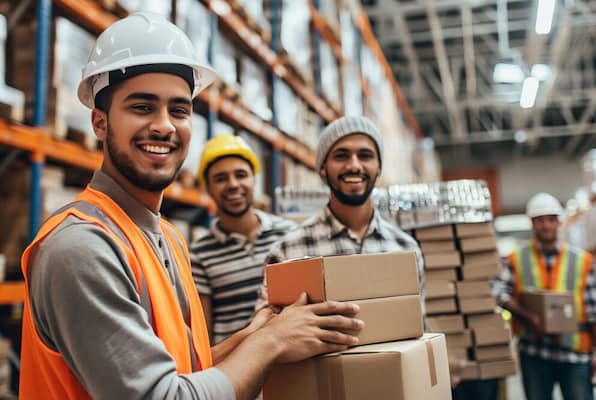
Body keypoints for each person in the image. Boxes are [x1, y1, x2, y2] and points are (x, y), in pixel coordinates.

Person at [19, 13, 364, 400]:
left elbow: (185, 373)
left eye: (179, 110)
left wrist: (255, 336)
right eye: (142, 107)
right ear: (100, 123)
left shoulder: (165, 235)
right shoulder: (81, 248)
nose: (165, 125)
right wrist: (272, 344)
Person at [257, 115, 424, 308]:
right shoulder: (286, 253)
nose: (354, 165)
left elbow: (419, 331)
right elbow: (267, 330)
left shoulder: (406, 249)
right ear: (323, 169)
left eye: (365, 155)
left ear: (379, 168)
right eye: (341, 156)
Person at [190, 134, 297, 344]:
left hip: (288, 360)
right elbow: (203, 335)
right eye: (220, 179)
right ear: (207, 188)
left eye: (241, 175)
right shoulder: (198, 254)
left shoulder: (289, 234)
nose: (233, 184)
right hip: (236, 369)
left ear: (254, 180)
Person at [495, 192, 596, 400]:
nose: (546, 226)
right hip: (535, 352)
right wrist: (526, 315)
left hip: (575, 353)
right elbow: (499, 292)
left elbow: (595, 311)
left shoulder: (582, 261)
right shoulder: (515, 259)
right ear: (532, 224)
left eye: (551, 220)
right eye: (540, 220)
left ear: (558, 223)